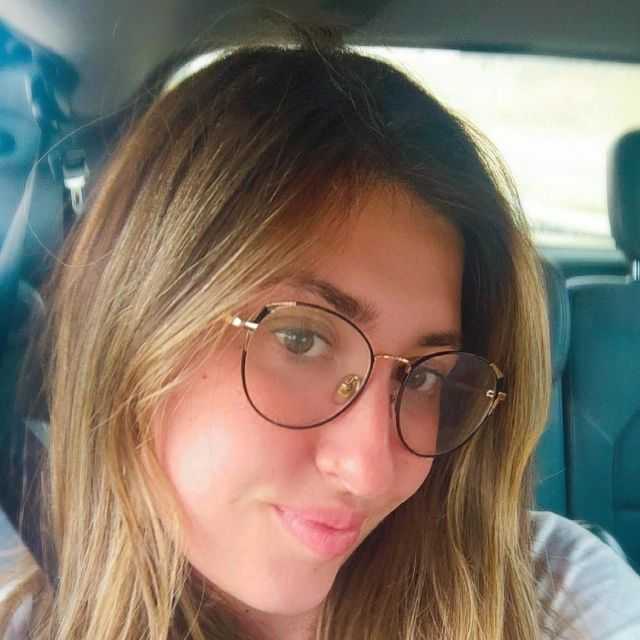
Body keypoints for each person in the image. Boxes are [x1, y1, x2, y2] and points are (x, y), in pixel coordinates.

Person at [1, 25, 640, 640]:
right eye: (301, 340)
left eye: (426, 379)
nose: (370, 471)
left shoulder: (549, 594)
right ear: (139, 321)